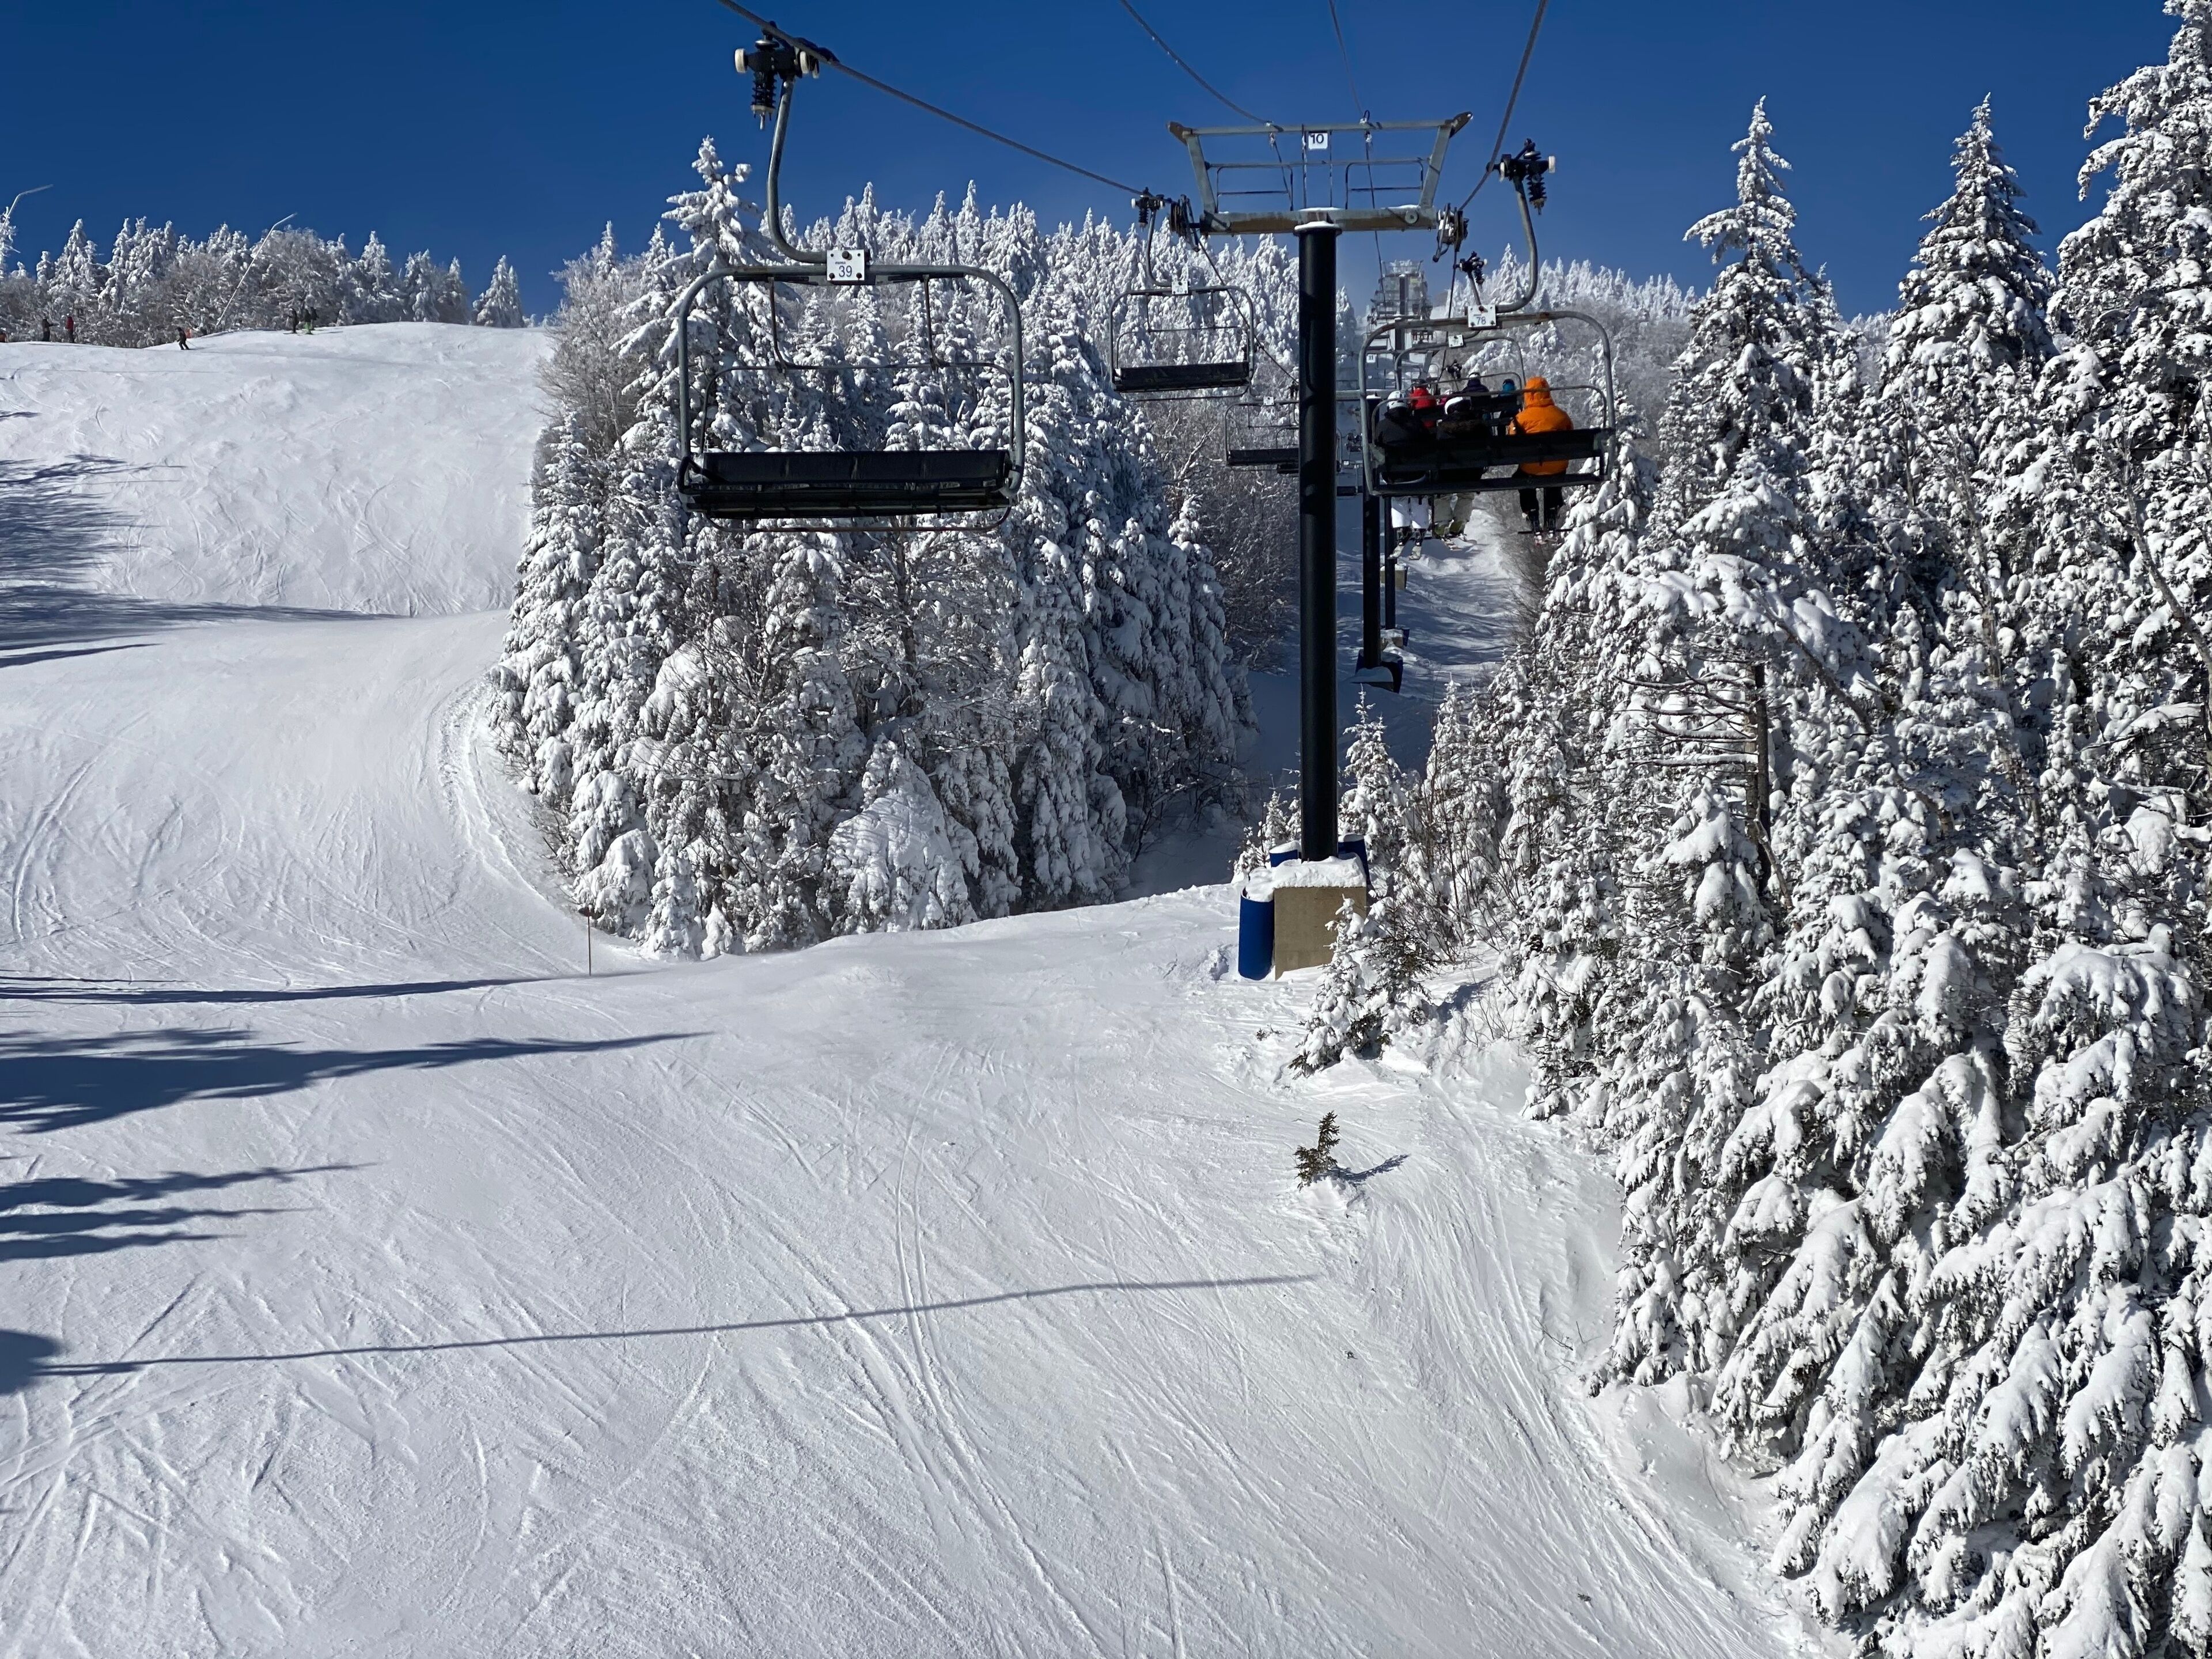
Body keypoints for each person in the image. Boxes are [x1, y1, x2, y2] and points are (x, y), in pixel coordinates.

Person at [1510, 374, 1574, 534]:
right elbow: (1571, 436)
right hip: (1557, 466)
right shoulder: (1561, 416)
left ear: (1528, 395)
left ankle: (1531, 512)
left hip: (1531, 468)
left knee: (1521, 478)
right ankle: (1552, 510)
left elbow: (1511, 442)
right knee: (1554, 475)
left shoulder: (1520, 419)